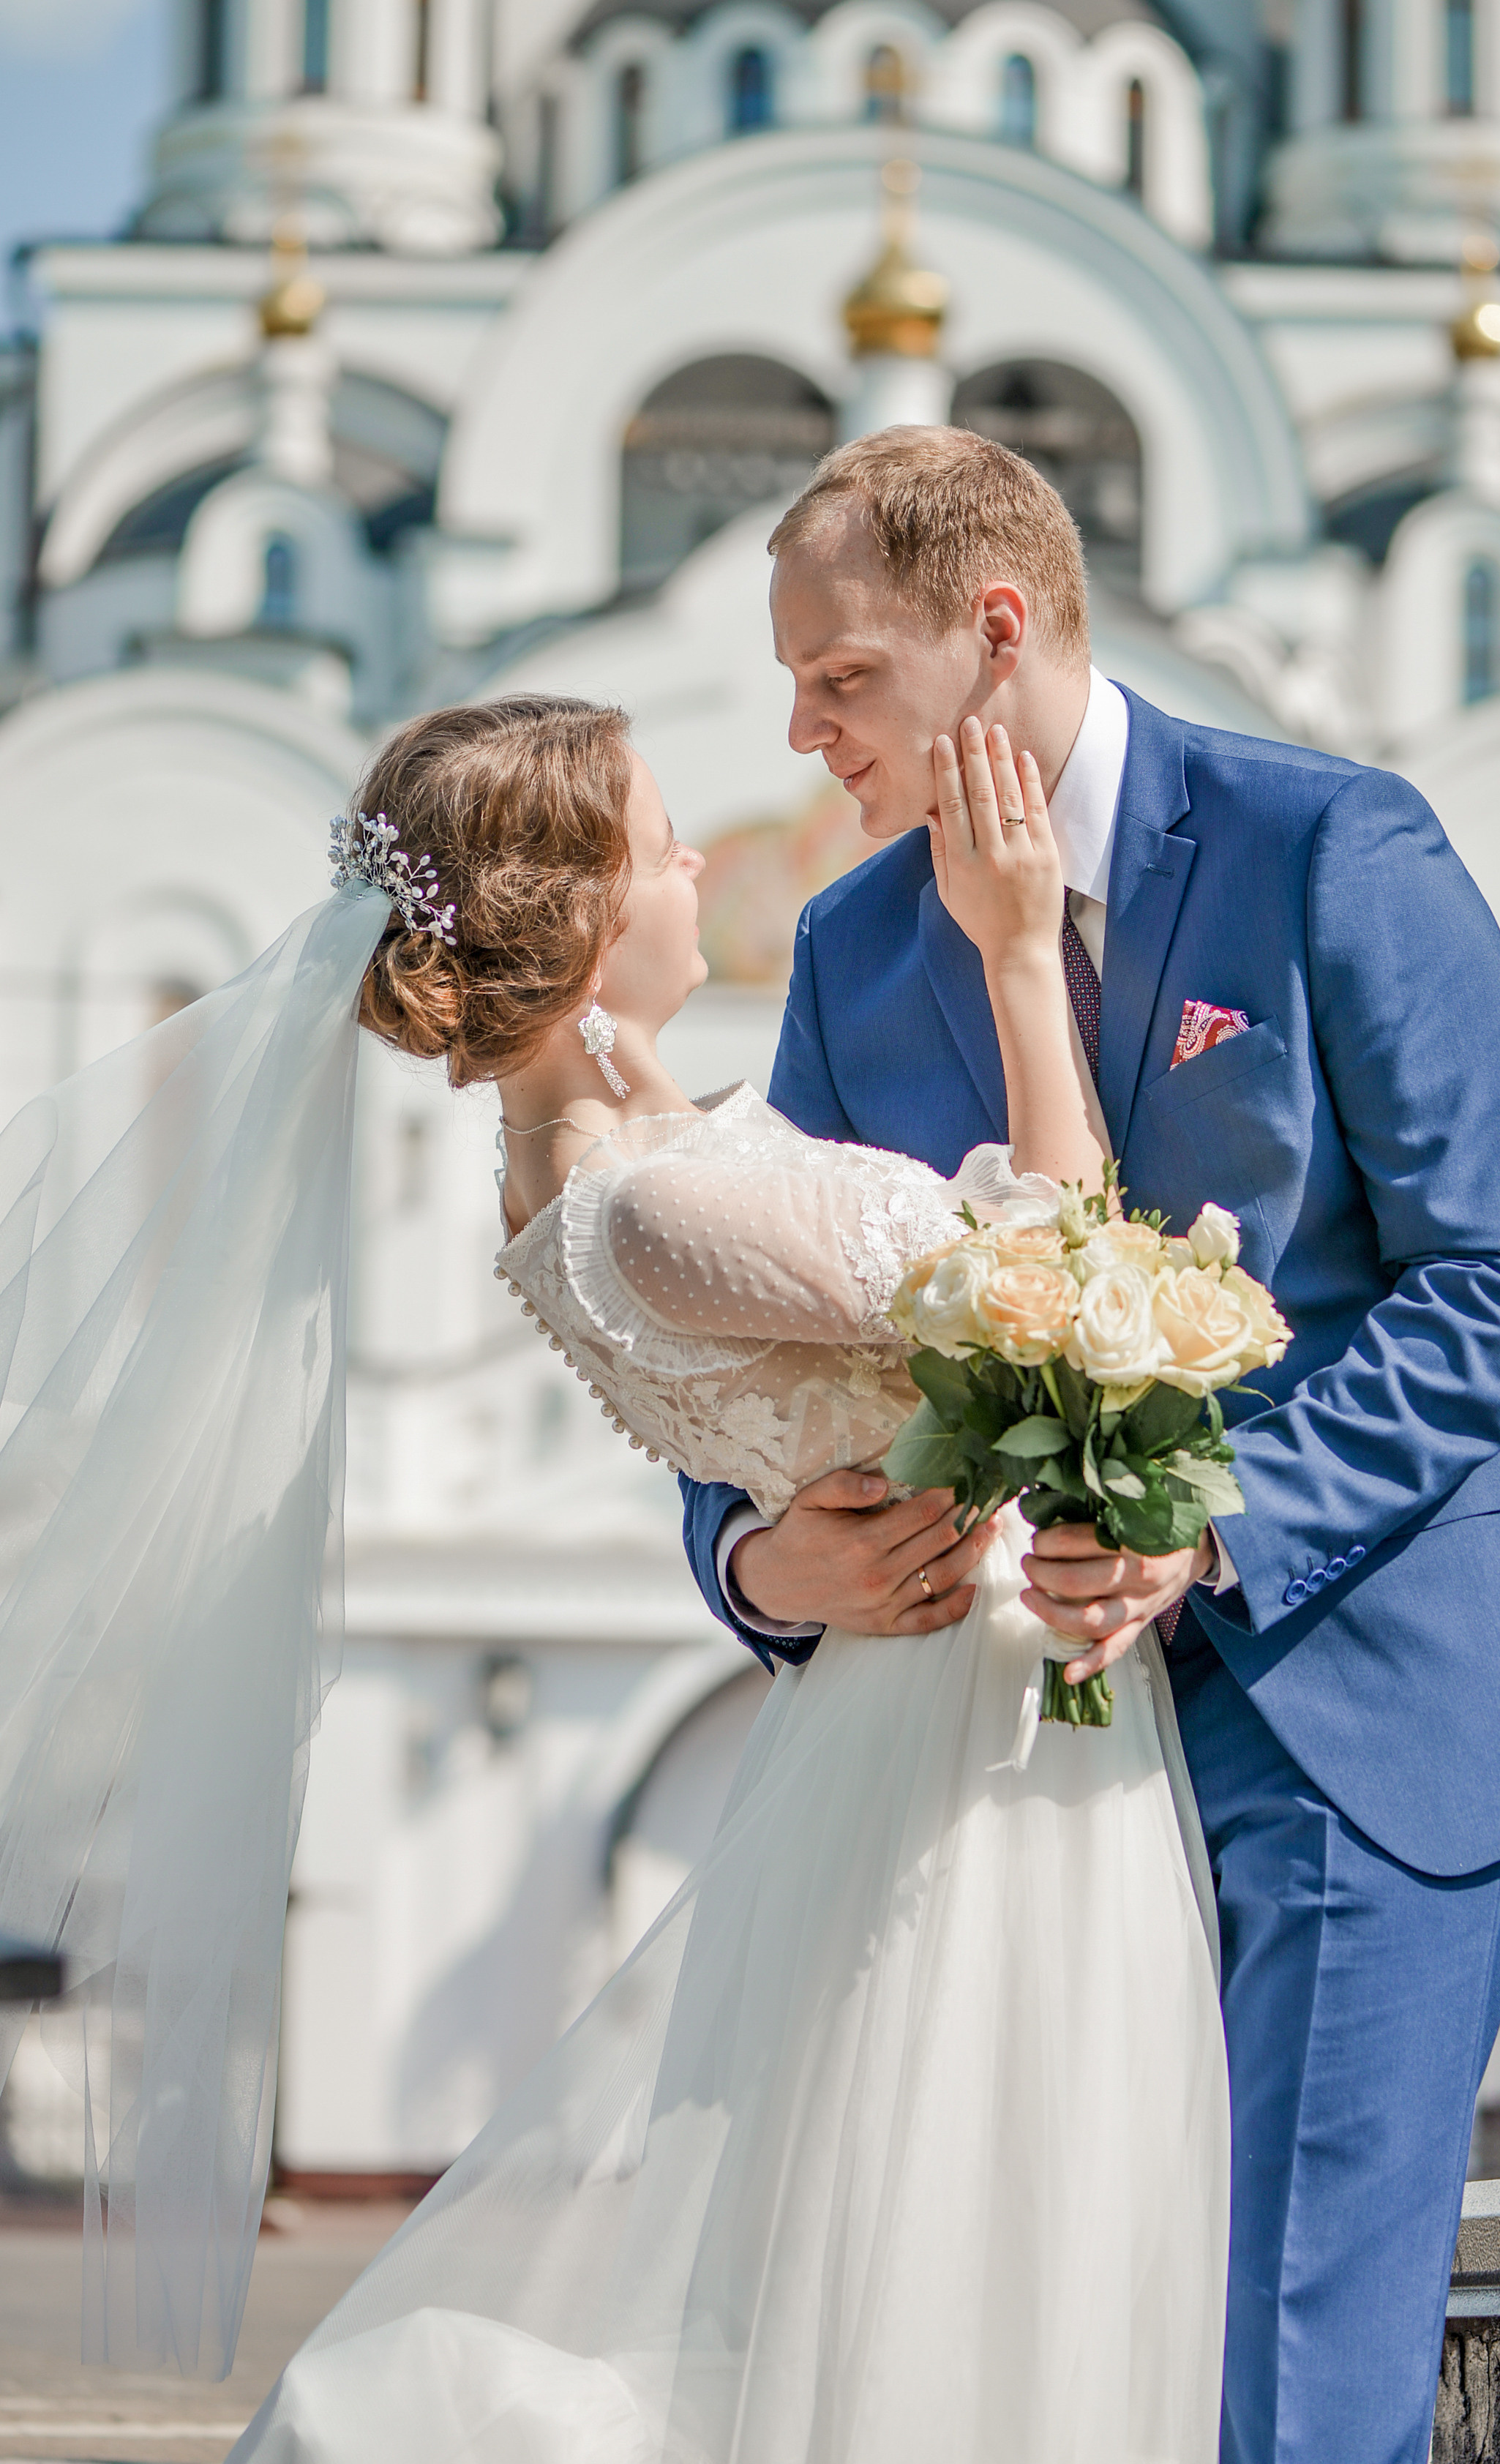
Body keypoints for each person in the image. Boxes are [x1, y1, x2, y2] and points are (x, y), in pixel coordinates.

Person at [0, 691, 1229, 2453]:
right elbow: (1061, 1286)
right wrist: (1026, 956)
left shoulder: (578, 1172)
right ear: (583, 927)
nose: (699, 862)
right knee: (992, 2230)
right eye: (661, 847)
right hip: (981, 1710)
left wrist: (768, 1535)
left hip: (909, 1693)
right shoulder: (663, 1207)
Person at [678, 427, 1500, 2464]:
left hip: (1370, 1690)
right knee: (1057, 2342)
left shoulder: (1334, 847)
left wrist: (1209, 1531)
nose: (801, 726)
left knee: (1290, 2371)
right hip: (1022, 1764)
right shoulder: (856, 956)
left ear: (998, 627)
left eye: (843, 676)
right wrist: (759, 1567)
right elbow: (788, 1343)